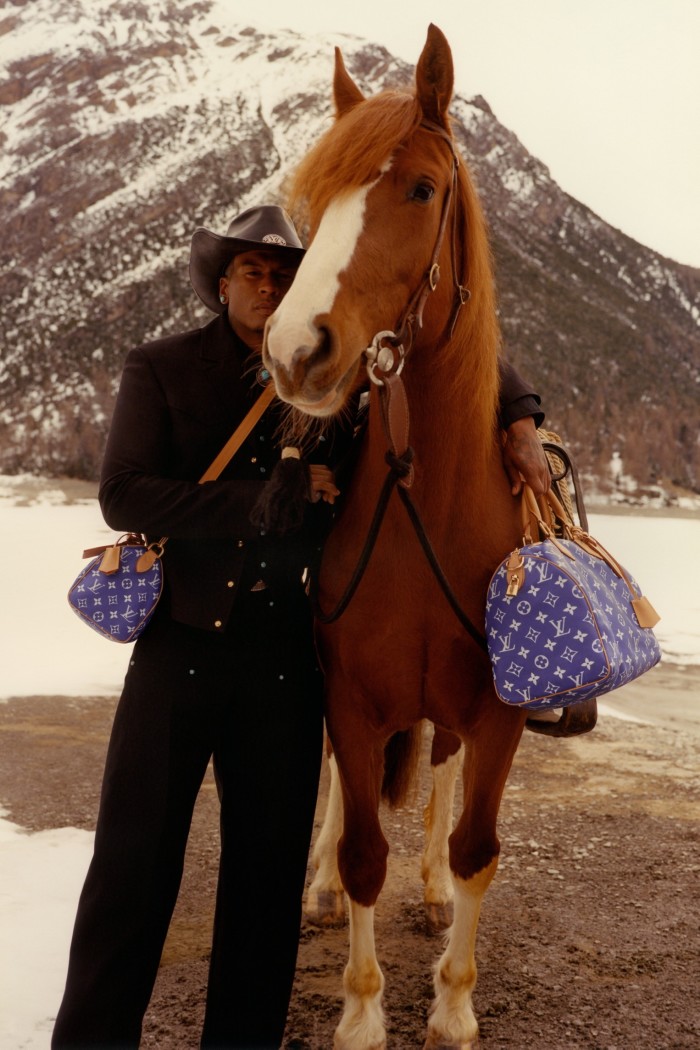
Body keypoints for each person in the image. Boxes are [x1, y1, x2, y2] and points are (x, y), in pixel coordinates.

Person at [52, 205, 548, 1050]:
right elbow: (123, 494)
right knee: (131, 874)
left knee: (264, 888)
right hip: (178, 654)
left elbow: (454, 352)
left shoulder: (338, 370)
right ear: (223, 284)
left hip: (285, 666)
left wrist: (522, 414)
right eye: (255, 272)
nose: (272, 286)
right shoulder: (163, 367)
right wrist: (254, 503)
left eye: (287, 273)